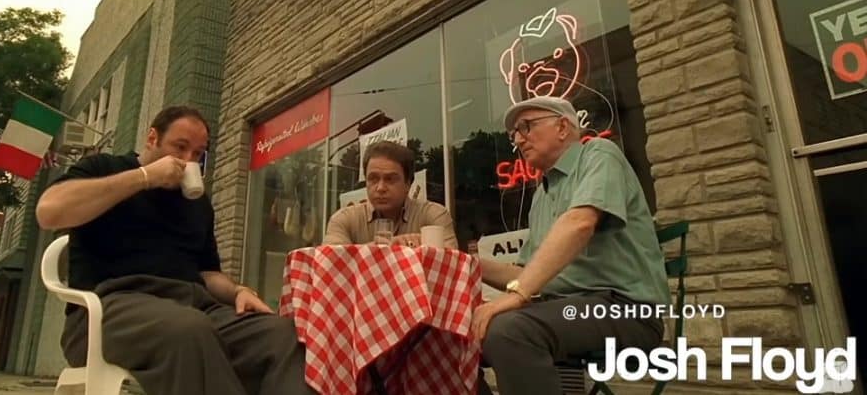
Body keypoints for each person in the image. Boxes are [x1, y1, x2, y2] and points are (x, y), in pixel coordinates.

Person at [36, 105, 314, 395]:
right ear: (152, 138)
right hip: (108, 308)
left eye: (197, 154)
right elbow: (49, 211)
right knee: (188, 330)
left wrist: (238, 292)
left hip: (195, 306)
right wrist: (145, 177)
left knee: (282, 334)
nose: (187, 160)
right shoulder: (105, 168)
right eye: (180, 147)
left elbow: (207, 272)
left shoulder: (197, 203)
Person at [472, 96, 668, 394]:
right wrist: (469, 264)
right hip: (564, 308)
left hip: (625, 309)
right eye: (514, 134)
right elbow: (523, 275)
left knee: (509, 331)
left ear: (563, 127)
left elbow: (580, 223)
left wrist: (519, 294)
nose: (518, 139)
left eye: (526, 126)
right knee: (456, 335)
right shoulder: (541, 195)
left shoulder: (599, 154)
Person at [323, 140, 457, 248]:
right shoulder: (343, 219)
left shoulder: (434, 215)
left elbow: (453, 267)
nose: (380, 188)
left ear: (408, 184)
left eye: (390, 179)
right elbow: (329, 265)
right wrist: (384, 248)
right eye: (373, 178)